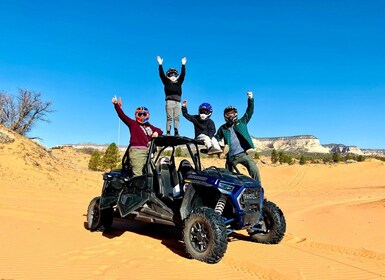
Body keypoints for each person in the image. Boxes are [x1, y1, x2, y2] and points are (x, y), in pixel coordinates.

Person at [214, 92, 261, 181]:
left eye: (232, 113)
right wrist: (217, 147)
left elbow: (249, 112)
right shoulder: (222, 128)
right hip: (230, 157)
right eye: (228, 114)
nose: (231, 115)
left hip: (242, 154)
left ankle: (258, 187)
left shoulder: (241, 122)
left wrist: (250, 99)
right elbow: (216, 138)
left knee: (254, 168)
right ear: (225, 116)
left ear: (235, 114)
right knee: (227, 176)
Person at [112, 96, 163, 176]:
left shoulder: (149, 126)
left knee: (151, 174)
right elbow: (122, 115)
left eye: (144, 114)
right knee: (138, 175)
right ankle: (136, 188)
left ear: (148, 115)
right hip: (137, 151)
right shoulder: (133, 124)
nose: (142, 116)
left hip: (148, 152)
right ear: (136, 115)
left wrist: (156, 132)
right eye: (140, 114)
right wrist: (116, 105)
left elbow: (160, 130)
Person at [157, 55, 187, 136]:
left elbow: (183, 75)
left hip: (178, 102)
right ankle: (168, 132)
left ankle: (176, 132)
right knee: (169, 117)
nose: (173, 76)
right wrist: (160, 65)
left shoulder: (179, 82)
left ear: (177, 76)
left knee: (177, 117)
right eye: (170, 75)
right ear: (168, 76)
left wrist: (183, 65)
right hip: (169, 102)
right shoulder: (166, 82)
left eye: (174, 75)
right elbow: (161, 75)